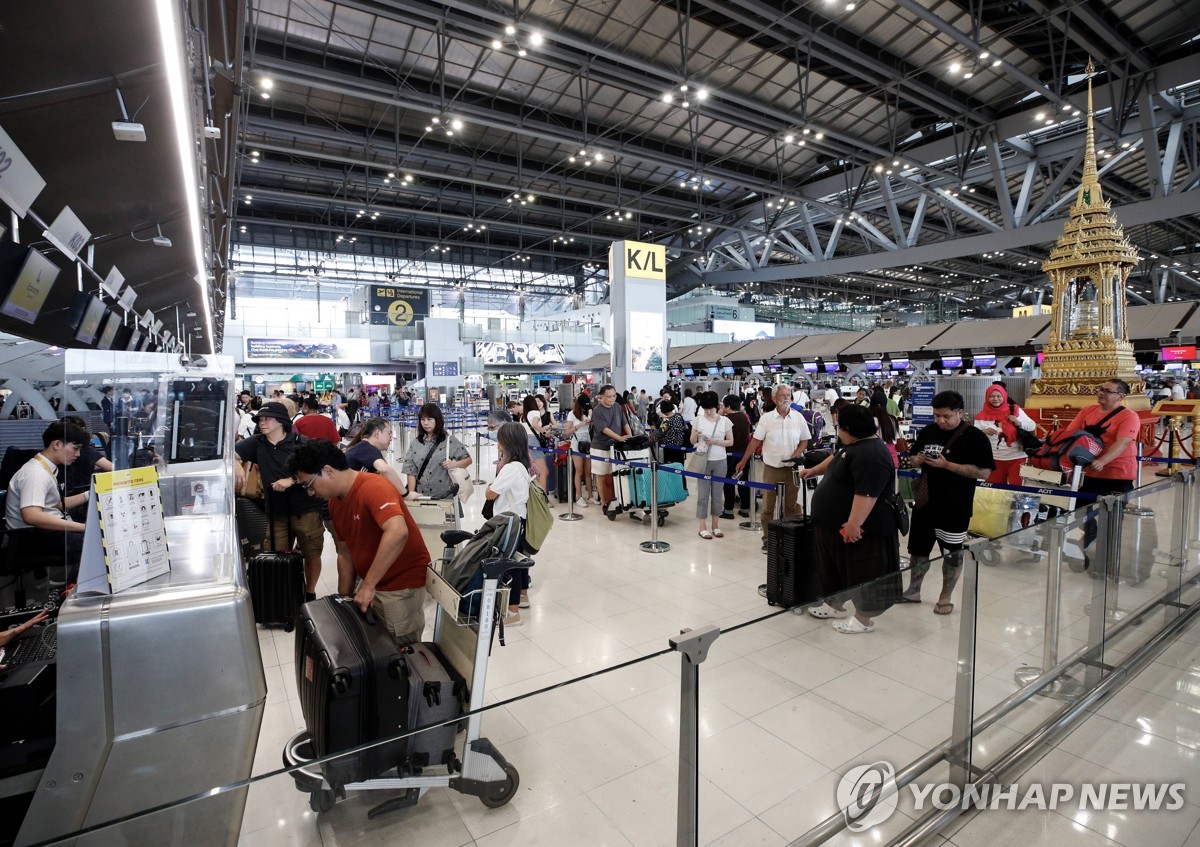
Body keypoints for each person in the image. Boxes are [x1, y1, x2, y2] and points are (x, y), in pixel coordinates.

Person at [289, 439, 430, 646]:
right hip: (374, 579)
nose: (310, 492)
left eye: (309, 485)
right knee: (374, 646)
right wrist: (343, 600)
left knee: (401, 651)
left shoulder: (374, 487)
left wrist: (369, 585)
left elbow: (398, 532)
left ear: (328, 471)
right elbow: (345, 553)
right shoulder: (335, 502)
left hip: (400, 584)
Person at [798, 404, 902, 633]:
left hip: (861, 530)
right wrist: (813, 471)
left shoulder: (872, 454)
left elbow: (867, 493)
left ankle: (864, 619)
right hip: (832, 526)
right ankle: (834, 603)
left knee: (862, 571)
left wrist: (854, 524)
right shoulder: (853, 445)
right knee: (834, 569)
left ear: (847, 428)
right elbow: (836, 459)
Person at [901, 391, 994, 614]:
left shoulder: (975, 437)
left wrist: (948, 466)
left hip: (955, 506)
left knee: (952, 553)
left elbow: (984, 473)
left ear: (960, 413)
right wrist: (917, 459)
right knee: (918, 550)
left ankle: (945, 596)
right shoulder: (928, 431)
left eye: (946, 416)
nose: (941, 421)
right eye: (937, 416)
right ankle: (914, 590)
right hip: (925, 503)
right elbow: (912, 458)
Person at [235, 402, 325, 600]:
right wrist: (237, 465)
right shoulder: (257, 443)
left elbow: (320, 471)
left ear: (282, 422)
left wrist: (291, 480)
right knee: (277, 555)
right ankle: (285, 595)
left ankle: (309, 593)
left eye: (267, 419)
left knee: (311, 553)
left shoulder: (302, 442)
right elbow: (232, 453)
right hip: (275, 511)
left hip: (306, 509)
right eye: (260, 419)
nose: (262, 423)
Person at [1061, 378, 1141, 567]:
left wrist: (1102, 461)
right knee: (1080, 512)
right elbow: (1071, 434)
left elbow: (1122, 443)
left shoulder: (1129, 416)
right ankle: (1089, 535)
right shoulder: (1087, 411)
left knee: (1111, 520)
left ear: (1120, 396)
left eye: (1107, 390)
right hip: (1089, 474)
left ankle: (1106, 562)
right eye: (1100, 389)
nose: (1101, 393)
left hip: (1117, 474)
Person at [6, 422, 91, 578]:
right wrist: (83, 527)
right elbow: (32, 516)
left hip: (42, 534)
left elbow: (56, 505)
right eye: (75, 448)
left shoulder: (46, 469)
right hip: (33, 538)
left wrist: (89, 494)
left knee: (93, 538)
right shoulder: (35, 474)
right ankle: (73, 595)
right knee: (93, 544)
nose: (77, 454)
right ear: (57, 444)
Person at [734, 384, 811, 552]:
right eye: (782, 395)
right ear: (774, 399)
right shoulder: (767, 419)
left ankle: (791, 536)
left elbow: (805, 440)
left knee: (791, 505)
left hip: (792, 468)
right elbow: (755, 441)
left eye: (788, 395)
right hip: (772, 467)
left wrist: (797, 453)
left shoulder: (798, 417)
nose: (786, 398)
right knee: (768, 506)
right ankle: (768, 538)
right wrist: (744, 460)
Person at [485, 422, 533, 625]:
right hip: (519, 518)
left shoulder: (510, 469)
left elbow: (490, 494)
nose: (498, 443)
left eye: (500, 439)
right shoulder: (522, 465)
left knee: (510, 566)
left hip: (509, 522)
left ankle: (513, 614)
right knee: (520, 562)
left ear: (507, 442)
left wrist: (489, 486)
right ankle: (522, 597)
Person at [401, 404, 472, 500]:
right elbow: (411, 471)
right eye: (422, 419)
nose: (425, 423)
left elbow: (468, 460)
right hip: (422, 496)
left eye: (429, 419)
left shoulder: (449, 440)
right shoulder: (415, 443)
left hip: (445, 496)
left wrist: (454, 464)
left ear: (437, 420)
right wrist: (412, 493)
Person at [973, 385, 1037, 485]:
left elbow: (1032, 426)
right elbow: (974, 438)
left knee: (1017, 492)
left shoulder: (1015, 410)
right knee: (994, 492)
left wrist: (1019, 423)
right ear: (987, 397)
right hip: (994, 459)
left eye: (999, 396)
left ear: (1004, 396)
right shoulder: (981, 416)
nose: (995, 399)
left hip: (1017, 458)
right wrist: (982, 432)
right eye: (992, 396)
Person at [691, 393, 734, 539]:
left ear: (717, 407)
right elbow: (692, 441)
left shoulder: (725, 421)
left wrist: (715, 441)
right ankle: (702, 526)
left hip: (720, 460)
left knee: (717, 494)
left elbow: (730, 442)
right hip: (703, 459)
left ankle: (716, 525)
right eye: (705, 409)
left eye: (711, 409)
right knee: (703, 495)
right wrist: (695, 435)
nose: (709, 412)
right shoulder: (698, 420)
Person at [589, 384, 632, 513]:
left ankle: (615, 499)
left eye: (613, 396)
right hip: (600, 447)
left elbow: (624, 423)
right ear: (601, 397)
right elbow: (604, 429)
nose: (612, 399)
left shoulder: (618, 407)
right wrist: (619, 437)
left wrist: (630, 436)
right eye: (608, 397)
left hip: (616, 447)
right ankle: (604, 502)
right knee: (602, 475)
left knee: (614, 474)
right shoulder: (597, 411)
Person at [344, 417, 406, 496]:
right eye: (389, 434)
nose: (390, 439)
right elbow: (384, 469)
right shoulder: (367, 449)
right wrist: (406, 494)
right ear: (377, 433)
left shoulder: (363, 447)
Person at [721, 394, 752, 518]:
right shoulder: (745, 417)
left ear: (728, 406)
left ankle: (728, 510)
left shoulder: (725, 419)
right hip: (744, 455)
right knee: (743, 481)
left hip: (729, 454)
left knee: (728, 482)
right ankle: (745, 509)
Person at [564, 394, 596, 506]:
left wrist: (590, 421)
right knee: (579, 471)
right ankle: (579, 497)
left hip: (587, 442)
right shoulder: (572, 414)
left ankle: (591, 496)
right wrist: (580, 424)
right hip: (577, 443)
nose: (586, 408)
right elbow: (567, 432)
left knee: (588, 471)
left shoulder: (588, 411)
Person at [521, 395, 552, 490]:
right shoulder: (535, 412)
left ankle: (535, 495)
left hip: (525, 442)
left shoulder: (523, 416)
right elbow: (534, 424)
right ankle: (542, 498)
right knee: (544, 471)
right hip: (534, 442)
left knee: (534, 472)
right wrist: (544, 432)